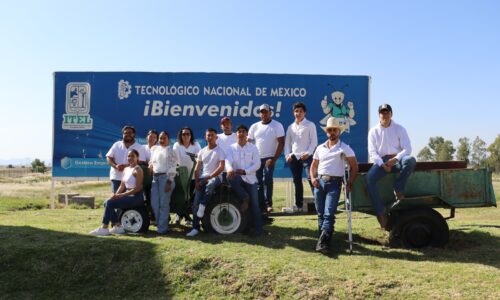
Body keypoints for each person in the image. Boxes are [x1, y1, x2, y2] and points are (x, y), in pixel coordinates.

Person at [310, 117, 358, 252]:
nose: (332, 132)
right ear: (327, 132)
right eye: (329, 130)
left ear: (339, 131)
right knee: (320, 214)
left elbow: (354, 167)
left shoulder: (345, 148)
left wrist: (350, 183)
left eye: (334, 130)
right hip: (319, 182)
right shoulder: (320, 148)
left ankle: (323, 242)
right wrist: (313, 178)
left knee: (329, 213)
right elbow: (313, 166)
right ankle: (322, 241)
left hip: (334, 183)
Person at [366, 104, 416, 228]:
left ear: (391, 114)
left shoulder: (399, 128)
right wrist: (382, 164)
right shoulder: (373, 131)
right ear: (379, 115)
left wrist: (396, 158)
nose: (385, 115)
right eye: (382, 113)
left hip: (397, 159)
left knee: (410, 160)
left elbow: (407, 148)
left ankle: (398, 188)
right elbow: (372, 152)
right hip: (381, 160)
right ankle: (381, 211)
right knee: (369, 178)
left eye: (387, 112)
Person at [90, 149, 144, 236]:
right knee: (106, 202)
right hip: (127, 195)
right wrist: (115, 195)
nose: (130, 158)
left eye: (133, 156)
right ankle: (118, 226)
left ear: (137, 157)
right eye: (128, 156)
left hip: (136, 198)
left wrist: (120, 195)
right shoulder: (126, 169)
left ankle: (104, 228)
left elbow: (137, 188)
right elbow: (122, 186)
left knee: (109, 203)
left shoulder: (138, 170)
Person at [186, 128, 225, 237]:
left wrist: (210, 177)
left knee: (211, 183)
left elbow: (221, 167)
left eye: (212, 135)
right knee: (195, 204)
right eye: (208, 135)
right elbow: (197, 169)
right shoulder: (202, 151)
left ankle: (203, 204)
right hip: (203, 177)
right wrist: (197, 182)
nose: (210, 137)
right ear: (205, 137)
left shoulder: (220, 150)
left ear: (216, 137)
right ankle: (195, 228)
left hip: (216, 177)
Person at [226, 124, 263, 235]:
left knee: (255, 205)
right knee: (229, 177)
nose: (241, 134)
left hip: (250, 179)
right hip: (237, 178)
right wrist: (229, 169)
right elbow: (227, 161)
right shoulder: (231, 148)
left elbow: (257, 164)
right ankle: (244, 196)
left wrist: (245, 171)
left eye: (243, 131)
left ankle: (258, 230)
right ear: (236, 134)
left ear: (247, 134)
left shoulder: (253, 147)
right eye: (239, 132)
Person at [248, 104, 285, 213]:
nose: (263, 114)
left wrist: (273, 159)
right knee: (258, 182)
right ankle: (261, 206)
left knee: (267, 180)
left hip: (270, 158)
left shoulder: (277, 125)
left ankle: (268, 204)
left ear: (270, 113)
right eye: (261, 112)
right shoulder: (254, 126)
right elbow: (248, 143)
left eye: (265, 112)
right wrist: (251, 158)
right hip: (257, 159)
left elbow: (281, 143)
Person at [285, 102, 318, 211]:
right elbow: (287, 144)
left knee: (311, 178)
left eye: (300, 111)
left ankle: (319, 204)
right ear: (293, 113)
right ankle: (299, 206)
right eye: (296, 111)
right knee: (297, 181)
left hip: (307, 157)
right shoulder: (290, 127)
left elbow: (314, 142)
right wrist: (287, 155)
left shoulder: (310, 125)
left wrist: (308, 153)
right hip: (294, 158)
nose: (298, 113)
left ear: (305, 113)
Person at [149, 131, 178, 234]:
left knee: (164, 204)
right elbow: (152, 162)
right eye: (160, 138)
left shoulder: (171, 151)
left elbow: (173, 167)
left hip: (166, 178)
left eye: (164, 138)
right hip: (155, 178)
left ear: (168, 140)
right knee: (154, 203)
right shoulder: (154, 149)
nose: (161, 140)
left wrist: (169, 181)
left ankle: (162, 228)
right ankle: (161, 224)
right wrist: (150, 165)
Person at [172, 127, 201, 225]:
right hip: (181, 177)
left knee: (190, 198)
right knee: (181, 197)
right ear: (181, 135)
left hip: (193, 177)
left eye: (188, 134)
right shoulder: (177, 145)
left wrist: (196, 158)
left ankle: (188, 217)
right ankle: (179, 216)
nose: (185, 136)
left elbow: (200, 158)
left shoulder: (196, 145)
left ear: (191, 135)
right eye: (183, 134)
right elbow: (175, 159)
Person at [106, 125, 146, 193]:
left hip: (131, 179)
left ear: (134, 134)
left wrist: (127, 167)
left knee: (129, 200)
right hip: (116, 177)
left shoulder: (140, 147)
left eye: (130, 133)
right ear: (123, 134)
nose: (127, 134)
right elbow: (108, 157)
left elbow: (141, 162)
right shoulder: (116, 144)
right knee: (116, 199)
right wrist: (116, 166)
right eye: (125, 133)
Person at [142, 129, 159, 222]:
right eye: (150, 136)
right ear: (147, 137)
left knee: (155, 198)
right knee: (147, 197)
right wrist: (148, 163)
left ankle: (158, 217)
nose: (152, 138)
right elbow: (141, 161)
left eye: (154, 137)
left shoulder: (159, 148)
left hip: (157, 176)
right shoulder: (142, 148)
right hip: (145, 178)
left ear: (156, 139)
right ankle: (151, 217)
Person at [217, 116, 237, 182]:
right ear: (221, 126)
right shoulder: (217, 137)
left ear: (231, 125)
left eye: (228, 124)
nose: (226, 126)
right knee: (221, 191)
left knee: (234, 191)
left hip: (234, 169)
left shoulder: (237, 136)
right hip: (221, 170)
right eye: (224, 124)